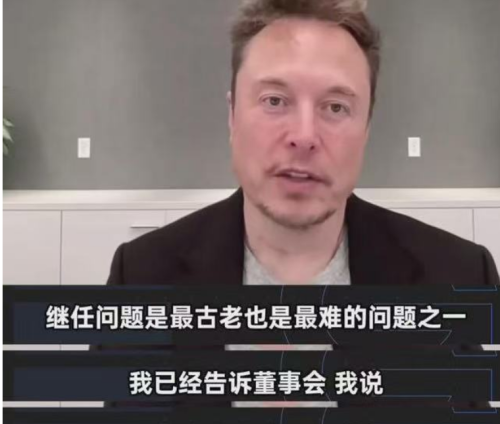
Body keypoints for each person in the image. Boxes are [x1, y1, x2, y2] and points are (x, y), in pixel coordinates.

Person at [107, 0, 499, 287]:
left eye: (335, 107)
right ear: (232, 115)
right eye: (274, 101)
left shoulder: (461, 277)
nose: (304, 136)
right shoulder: (140, 277)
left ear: (367, 127)